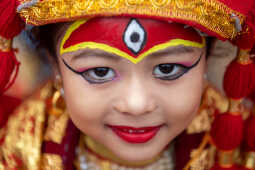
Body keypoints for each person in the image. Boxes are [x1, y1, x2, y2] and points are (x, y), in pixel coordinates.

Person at [0, 0, 255, 170]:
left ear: (205, 64)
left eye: (167, 69)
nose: (137, 105)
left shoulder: (243, 152)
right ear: (55, 69)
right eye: (100, 72)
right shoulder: (18, 151)